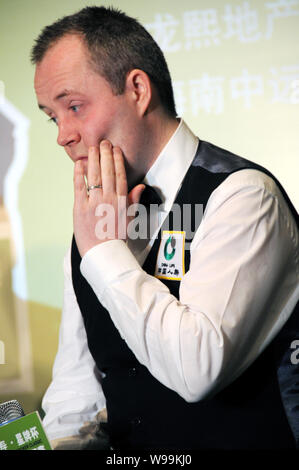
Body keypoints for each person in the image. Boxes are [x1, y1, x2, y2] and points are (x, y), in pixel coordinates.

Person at [31, 6, 299, 450]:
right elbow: (77, 389)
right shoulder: (94, 223)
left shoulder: (242, 196)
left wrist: (104, 255)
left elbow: (198, 371)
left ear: (137, 90)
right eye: (53, 117)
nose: (63, 135)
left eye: (74, 107)